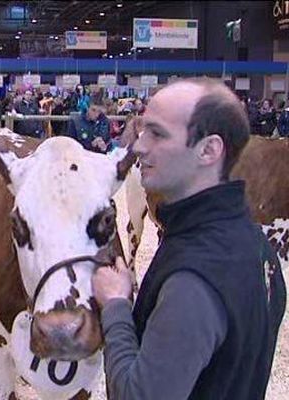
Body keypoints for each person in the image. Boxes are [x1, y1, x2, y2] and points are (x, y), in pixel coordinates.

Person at [92, 78, 286, 400]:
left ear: (209, 150)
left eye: (157, 134)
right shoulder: (256, 245)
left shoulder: (194, 280)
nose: (138, 146)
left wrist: (115, 306)